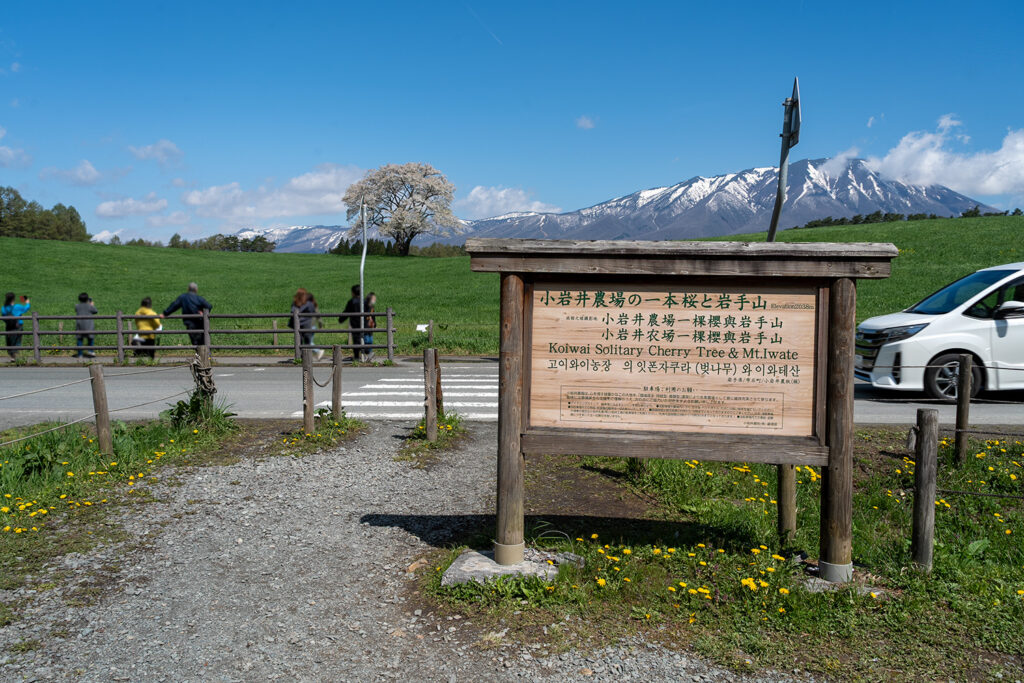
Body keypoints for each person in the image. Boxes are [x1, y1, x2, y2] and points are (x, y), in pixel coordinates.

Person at [162, 282, 212, 347]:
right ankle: (206, 355)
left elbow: (174, 306)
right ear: (196, 290)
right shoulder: (198, 298)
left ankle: (199, 354)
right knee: (203, 339)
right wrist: (202, 312)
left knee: (194, 341)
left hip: (189, 322)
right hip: (200, 322)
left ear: (188, 289)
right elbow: (209, 306)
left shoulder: (183, 297)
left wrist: (165, 313)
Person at [290, 288, 323, 361]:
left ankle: (300, 357)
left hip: (298, 324)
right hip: (307, 324)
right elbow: (313, 312)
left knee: (300, 341)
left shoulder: (294, 303)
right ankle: (307, 357)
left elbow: (292, 312)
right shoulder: (309, 303)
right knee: (307, 342)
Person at [2, 292, 30, 359]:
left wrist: (9, 322)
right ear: (13, 299)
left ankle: (12, 355)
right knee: (17, 340)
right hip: (18, 326)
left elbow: (3, 318)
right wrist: (27, 302)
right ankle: (15, 355)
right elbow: (26, 308)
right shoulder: (17, 307)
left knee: (10, 340)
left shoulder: (4, 308)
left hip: (9, 327)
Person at [341, 284, 365, 362]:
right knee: (363, 339)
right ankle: (363, 355)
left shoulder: (352, 301)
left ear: (353, 293)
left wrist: (341, 319)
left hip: (355, 323)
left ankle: (357, 357)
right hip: (364, 323)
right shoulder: (364, 301)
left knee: (356, 340)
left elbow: (346, 311)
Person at [74, 292, 98, 358]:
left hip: (79, 325)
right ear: (87, 299)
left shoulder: (77, 306)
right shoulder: (89, 306)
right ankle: (90, 351)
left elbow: (77, 309)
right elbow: (95, 311)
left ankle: (80, 354)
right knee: (90, 339)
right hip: (89, 325)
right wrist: (92, 305)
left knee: (79, 339)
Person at [363, 291, 378, 361]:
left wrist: (375, 324)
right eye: (373, 299)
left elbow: (373, 316)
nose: (374, 300)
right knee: (366, 340)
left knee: (370, 340)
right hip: (365, 326)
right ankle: (366, 354)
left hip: (370, 327)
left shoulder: (372, 307)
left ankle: (369, 355)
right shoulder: (365, 305)